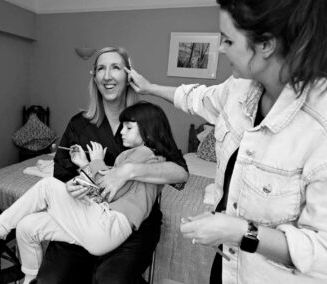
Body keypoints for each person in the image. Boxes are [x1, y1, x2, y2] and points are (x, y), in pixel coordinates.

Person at [126, 0, 327, 283]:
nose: (220, 48)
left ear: (266, 44)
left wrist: (236, 230)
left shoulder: (319, 126)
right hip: (228, 264)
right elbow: (196, 98)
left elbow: (322, 252)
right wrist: (149, 88)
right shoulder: (239, 88)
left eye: (228, 40)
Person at [0, 101, 180, 284]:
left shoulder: (144, 155)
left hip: (110, 225)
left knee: (47, 186)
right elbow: (106, 190)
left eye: (129, 128)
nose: (122, 132)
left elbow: (109, 191)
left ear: (148, 132)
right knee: (28, 226)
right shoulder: (134, 158)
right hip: (101, 225)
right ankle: (30, 279)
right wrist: (84, 166)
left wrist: (95, 162)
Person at [36, 46, 188, 284]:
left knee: (108, 279)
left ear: (128, 76)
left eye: (116, 67)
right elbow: (61, 176)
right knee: (50, 279)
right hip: (85, 214)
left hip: (133, 222)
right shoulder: (79, 125)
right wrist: (73, 187)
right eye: (101, 69)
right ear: (94, 77)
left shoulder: (146, 120)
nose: (107, 75)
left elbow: (180, 174)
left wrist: (128, 171)